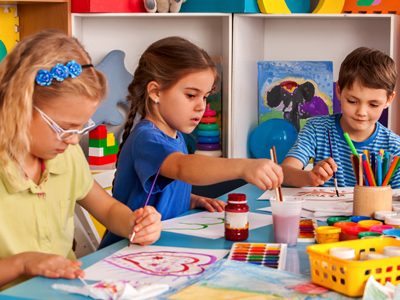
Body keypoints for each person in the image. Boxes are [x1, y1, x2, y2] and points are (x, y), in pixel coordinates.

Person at [0, 30, 162, 289]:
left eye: (80, 128)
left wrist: (135, 222)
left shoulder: (66, 155)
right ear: (20, 105)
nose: (75, 140)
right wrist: (21, 263)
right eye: (65, 127)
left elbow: (108, 210)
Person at [99, 36, 283, 248]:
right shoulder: (146, 138)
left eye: (204, 97)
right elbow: (180, 167)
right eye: (191, 95)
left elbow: (158, 191)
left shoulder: (175, 136)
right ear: (155, 92)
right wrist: (243, 166)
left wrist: (191, 199)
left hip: (158, 247)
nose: (201, 106)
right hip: (124, 251)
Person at [281, 46, 400, 188]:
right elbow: (285, 172)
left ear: (389, 100)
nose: (361, 112)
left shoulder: (395, 147)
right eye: (352, 101)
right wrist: (309, 177)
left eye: (373, 104)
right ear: (339, 90)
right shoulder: (316, 129)